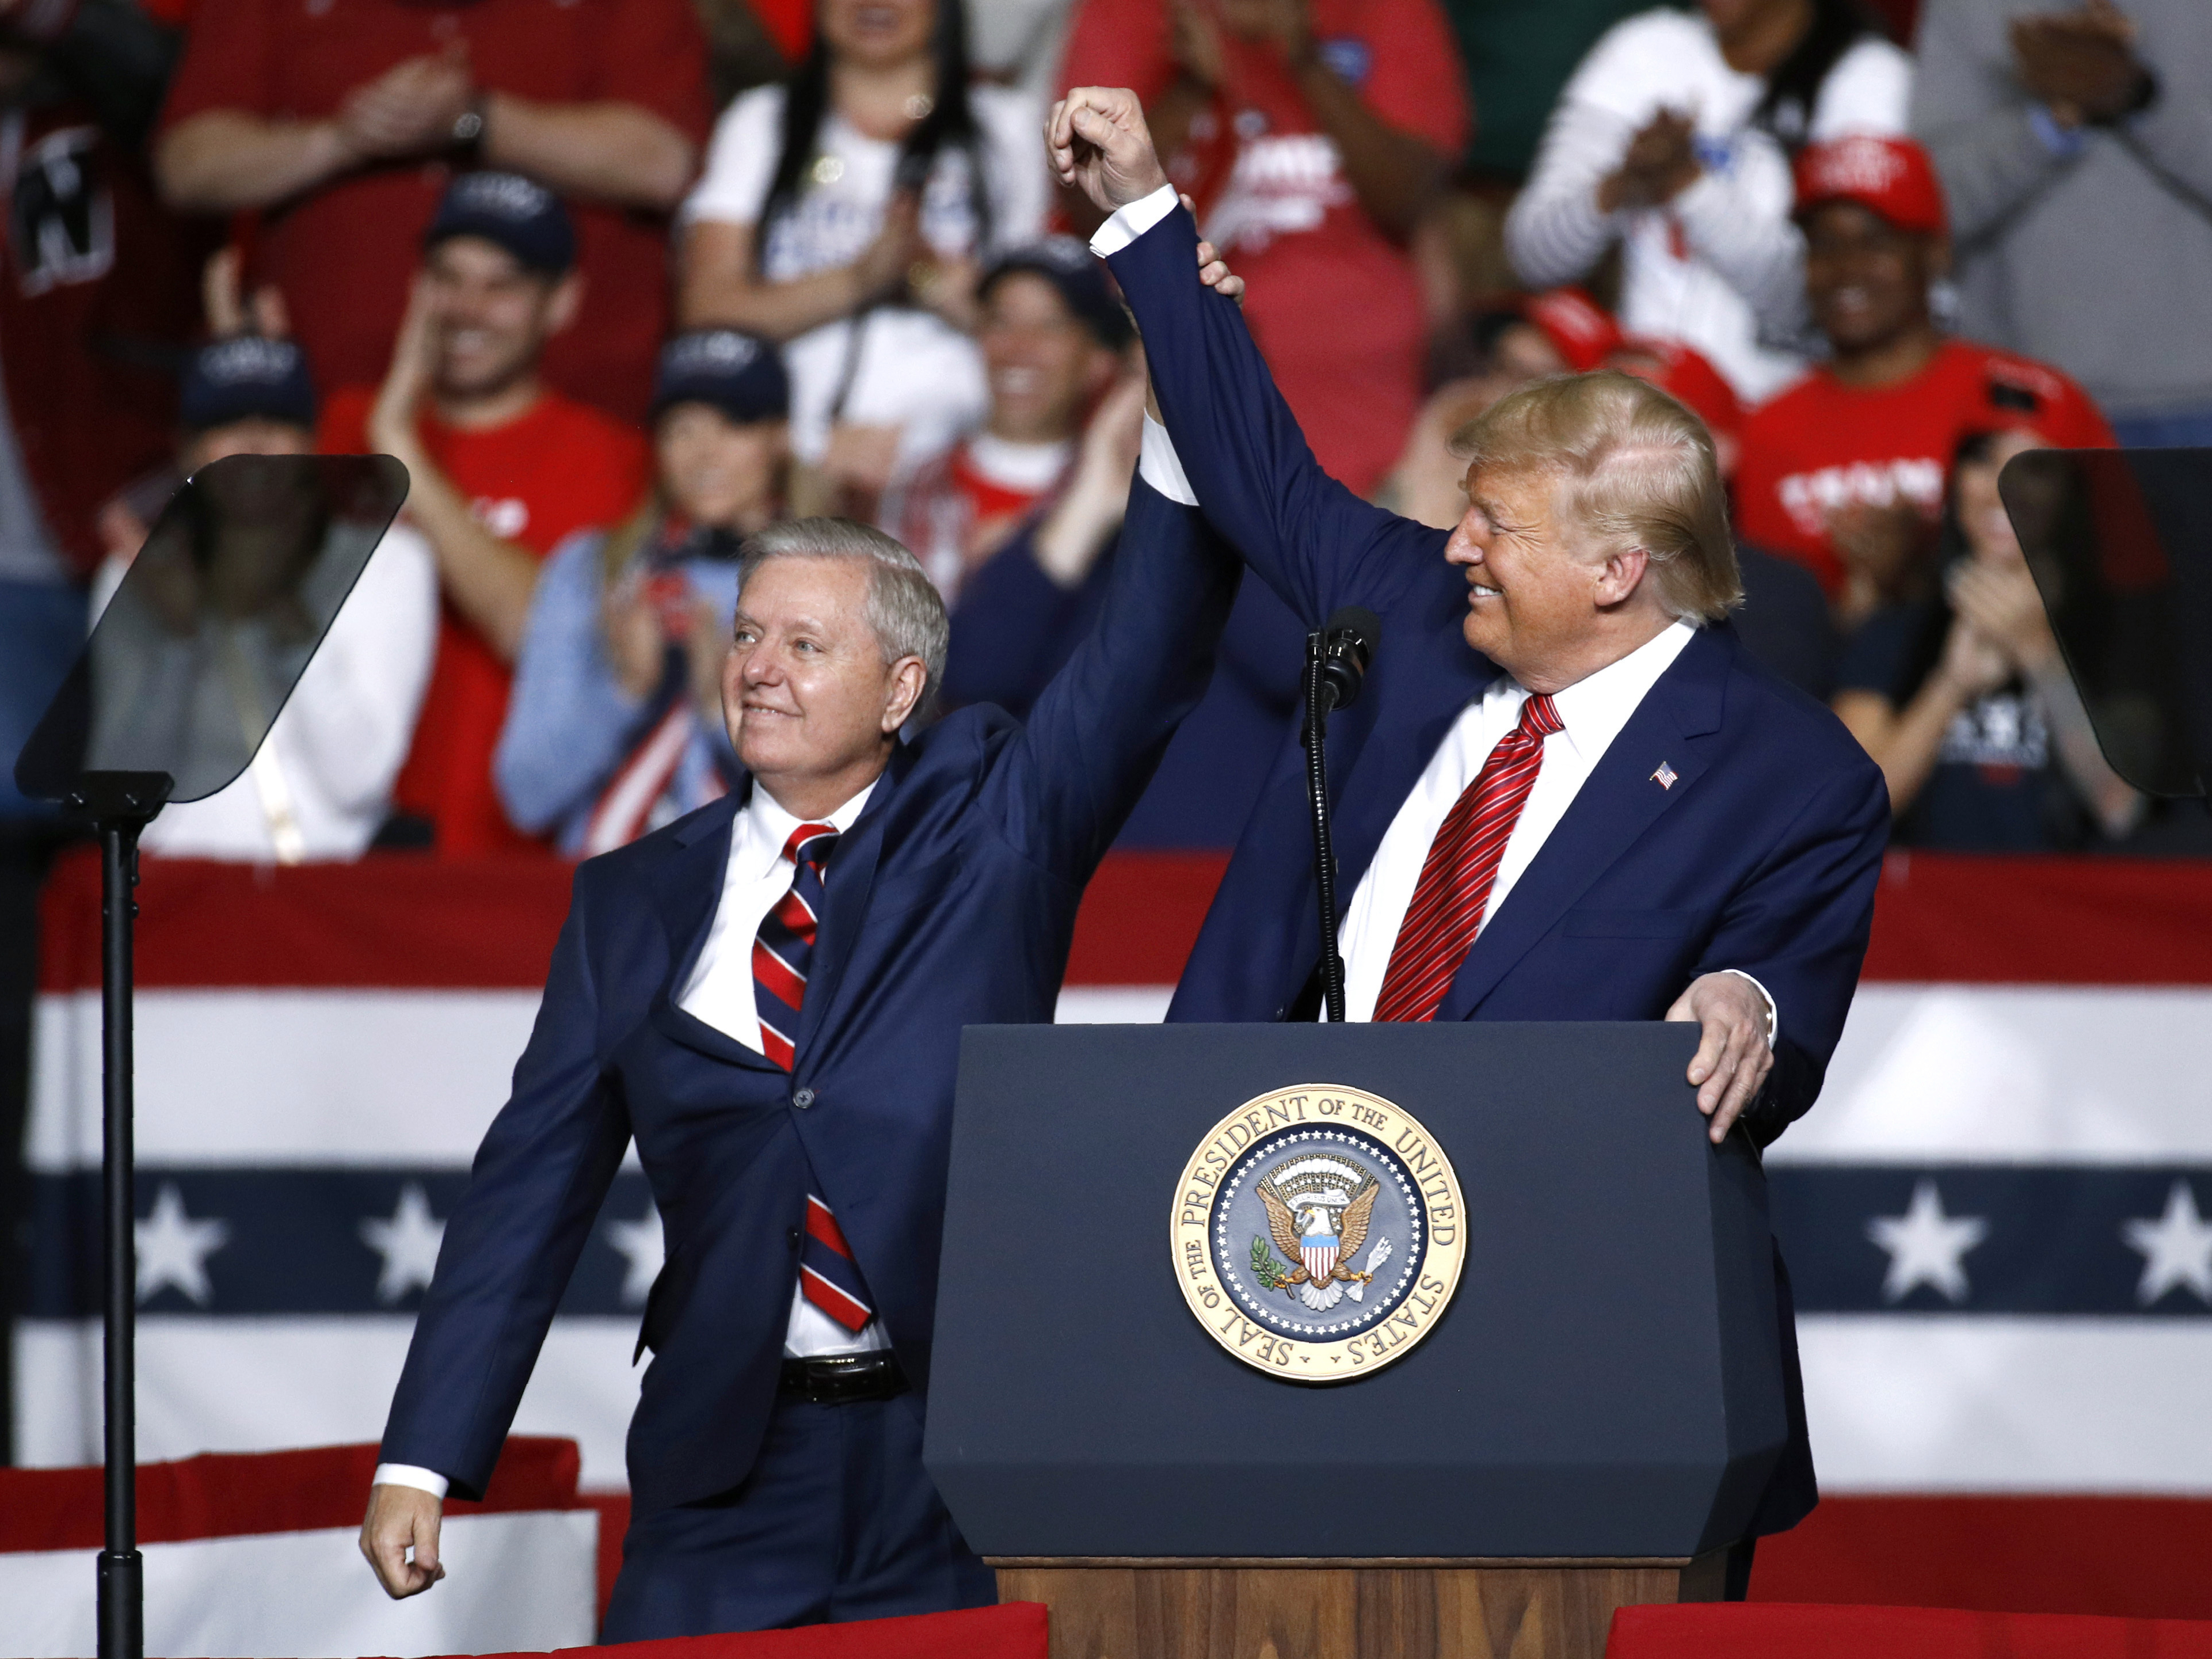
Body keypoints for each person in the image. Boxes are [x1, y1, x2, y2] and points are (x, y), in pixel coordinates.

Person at [1050, 85, 1892, 1589]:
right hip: (1279, 1271)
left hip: (1583, 1344)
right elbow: (1258, 468)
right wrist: (1143, 217)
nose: (1453, 546)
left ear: (1620, 568)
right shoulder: (1421, 621)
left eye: (1493, 524)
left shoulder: (1792, 774)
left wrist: (1744, 1001)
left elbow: (1780, 984)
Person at [356, 268, 1244, 1638]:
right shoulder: (630, 898)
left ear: (902, 690)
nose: (756, 665)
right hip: (726, 1471)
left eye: (804, 643)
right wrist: (424, 1450)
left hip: (961, 1461)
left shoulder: (996, 826)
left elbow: (1146, 645)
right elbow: (530, 1180)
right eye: (749, 633)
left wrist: (1188, 371)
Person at [151, 0, 709, 421]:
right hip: (329, 415)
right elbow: (187, 164)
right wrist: (342, 140)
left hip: (577, 417)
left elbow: (664, 161)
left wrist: (478, 120)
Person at [320, 172, 652, 856]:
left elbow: (545, 632)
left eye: (502, 287)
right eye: (448, 277)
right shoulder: (340, 427)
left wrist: (403, 456)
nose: (467, 308)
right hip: (334, 836)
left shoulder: (607, 458)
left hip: (504, 849)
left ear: (561, 303)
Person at [1054, 0, 1471, 493]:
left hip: (1366, 403)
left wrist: (1306, 60)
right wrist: (1191, 88)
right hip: (1182, 379)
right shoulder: (1133, 11)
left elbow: (1408, 195)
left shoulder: (1384, 10)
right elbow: (1088, 205)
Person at [1733, 134, 2116, 626]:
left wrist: (1930, 562)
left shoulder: (2037, 403)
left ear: (1934, 254)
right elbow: (1770, 634)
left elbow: (2116, 584)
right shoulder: (1769, 429)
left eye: (1874, 241)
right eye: (1824, 244)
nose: (1845, 268)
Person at [677, 0, 1049, 499]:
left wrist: (924, 276)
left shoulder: (1008, 127)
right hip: (788, 466)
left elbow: (1041, 331)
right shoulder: (762, 121)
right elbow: (707, 310)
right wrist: (857, 281)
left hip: (960, 469)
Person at [92, 334, 439, 863]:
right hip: (173, 890)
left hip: (320, 891)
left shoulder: (390, 560)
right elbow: (122, 789)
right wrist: (179, 636)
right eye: (227, 425)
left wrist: (280, 616)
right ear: (188, 449)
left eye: (277, 423)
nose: (254, 443)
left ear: (315, 444)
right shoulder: (139, 567)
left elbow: (358, 780)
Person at [1506, 0, 1910, 403]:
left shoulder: (1870, 81)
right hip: (1639, 409)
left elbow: (1820, 309)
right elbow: (1533, 260)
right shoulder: (1646, 50)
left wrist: (1689, 189)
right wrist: (1617, 188)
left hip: (1784, 417)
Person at [497, 331, 791, 857]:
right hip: (607, 903)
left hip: (775, 910)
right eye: (682, 429)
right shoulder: (593, 569)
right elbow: (525, 795)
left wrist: (726, 714)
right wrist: (624, 693)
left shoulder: (841, 579)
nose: (706, 455)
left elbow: (870, 801)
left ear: (780, 437)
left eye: (733, 425)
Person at [1911, 0, 2212, 448]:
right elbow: (1928, 209)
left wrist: (2138, 98)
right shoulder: (1965, 8)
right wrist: (2048, 123)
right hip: (2024, 407)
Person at [1832, 427, 2142, 850]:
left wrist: (2037, 651)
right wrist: (1949, 686)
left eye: (2034, 467)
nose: (2002, 485)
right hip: (1927, 907)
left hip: (2067, 904)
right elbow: (1848, 813)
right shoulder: (1893, 631)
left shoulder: (2116, 631)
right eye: (1983, 460)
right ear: (1955, 487)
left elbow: (2122, 808)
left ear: (2070, 496)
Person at [880, 238, 1130, 605]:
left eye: (1050, 326)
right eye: (1001, 321)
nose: (1019, 348)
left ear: (1098, 360)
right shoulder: (917, 483)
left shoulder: (1117, 498)